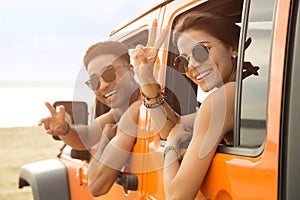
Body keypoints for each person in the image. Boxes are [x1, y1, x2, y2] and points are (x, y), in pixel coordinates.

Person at [131, 12, 259, 199]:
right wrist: (146, 79)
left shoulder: (221, 100)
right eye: (184, 60)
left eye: (201, 51)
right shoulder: (243, 92)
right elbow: (173, 125)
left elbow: (176, 196)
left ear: (234, 48)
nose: (191, 66)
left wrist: (171, 147)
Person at [38, 41, 140, 196]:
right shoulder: (119, 112)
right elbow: (86, 136)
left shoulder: (137, 108)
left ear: (130, 70)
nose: (103, 85)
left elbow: (95, 186)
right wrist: (65, 130)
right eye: (94, 82)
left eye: (109, 73)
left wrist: (105, 138)